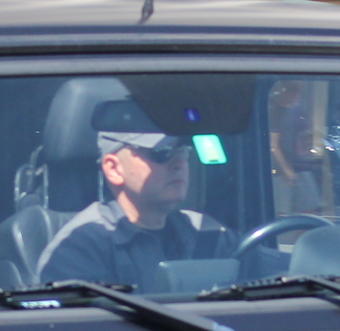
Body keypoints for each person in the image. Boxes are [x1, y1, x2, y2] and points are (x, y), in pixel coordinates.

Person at [38, 106, 232, 291]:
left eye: (183, 151)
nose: (179, 163)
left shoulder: (208, 232)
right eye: (161, 153)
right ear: (114, 169)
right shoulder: (78, 249)